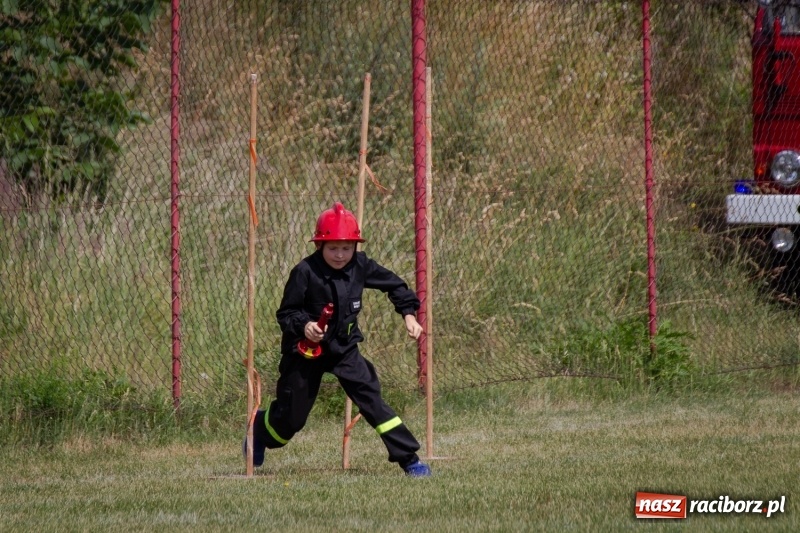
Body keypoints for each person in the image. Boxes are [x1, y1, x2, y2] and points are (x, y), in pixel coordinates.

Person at [244, 201, 432, 477]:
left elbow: (396, 286)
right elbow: (286, 313)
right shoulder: (304, 272)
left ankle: (409, 460)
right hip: (304, 353)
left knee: (373, 401)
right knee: (290, 421)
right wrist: (305, 326)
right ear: (319, 245)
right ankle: (260, 429)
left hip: (344, 350)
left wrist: (408, 314)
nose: (341, 255)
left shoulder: (361, 265)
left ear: (356, 245)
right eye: (333, 248)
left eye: (347, 247)